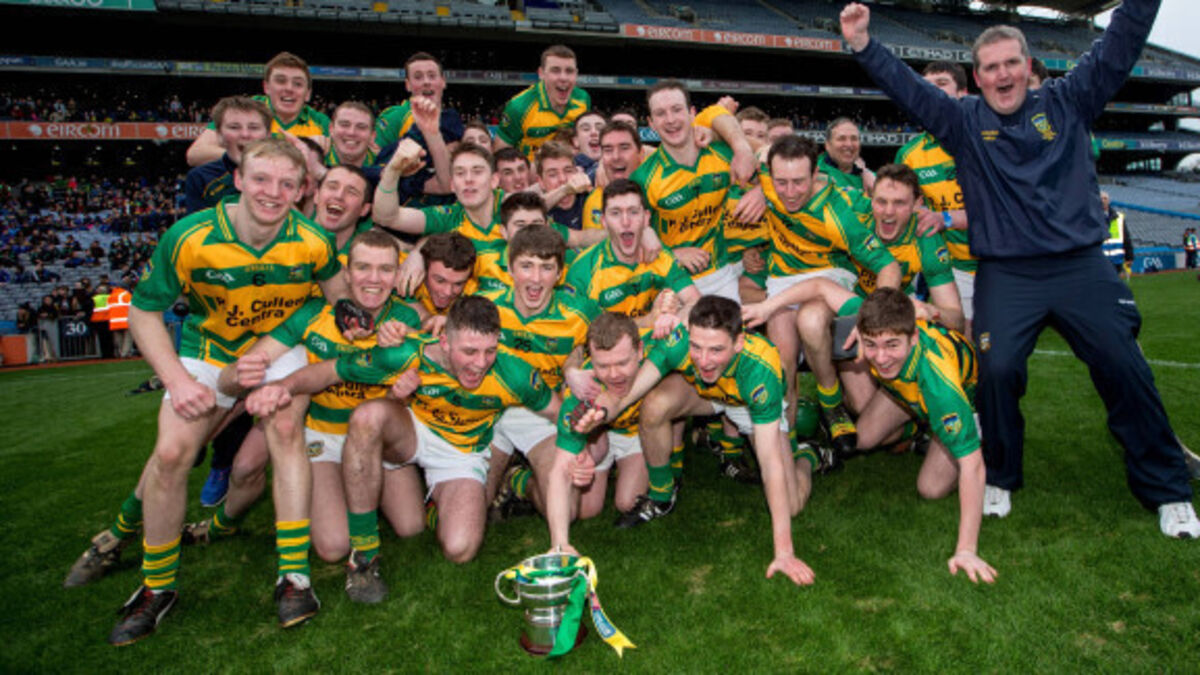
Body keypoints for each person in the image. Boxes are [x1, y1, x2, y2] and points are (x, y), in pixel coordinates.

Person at [841, 0, 1199, 537]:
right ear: (977, 78)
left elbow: (1118, 47)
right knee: (999, 370)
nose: (1002, 74)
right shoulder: (963, 121)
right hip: (1008, 272)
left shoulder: (1069, 100)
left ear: (1028, 67)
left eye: (1011, 63)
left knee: (1124, 364)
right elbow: (910, 90)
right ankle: (1001, 475)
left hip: (1079, 265)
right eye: (990, 67)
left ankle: (1168, 490)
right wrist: (863, 44)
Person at [66, 138, 342, 645]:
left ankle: (294, 577)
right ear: (238, 179)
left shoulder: (314, 241)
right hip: (209, 351)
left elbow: (335, 302)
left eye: (286, 183)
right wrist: (176, 379)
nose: (273, 192)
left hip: (279, 351)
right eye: (261, 179)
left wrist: (282, 347)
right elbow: (143, 311)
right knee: (172, 454)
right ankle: (157, 586)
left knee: (285, 429)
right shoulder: (189, 235)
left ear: (302, 189)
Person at [247, 296, 558, 602]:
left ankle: (437, 503)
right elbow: (330, 371)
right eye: (469, 351)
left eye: (490, 350)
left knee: (460, 548)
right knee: (368, 417)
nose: (480, 363)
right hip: (412, 431)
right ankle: (364, 555)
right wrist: (282, 387)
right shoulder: (408, 354)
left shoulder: (514, 373)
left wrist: (578, 443)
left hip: (461, 452)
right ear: (445, 342)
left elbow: (560, 412)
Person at [205, 230, 422, 565]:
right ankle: (229, 521)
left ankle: (359, 494)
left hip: (373, 440)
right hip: (324, 437)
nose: (374, 279)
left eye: (385, 270)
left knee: (411, 527)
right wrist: (242, 374)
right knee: (333, 547)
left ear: (396, 275)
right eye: (363, 267)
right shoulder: (313, 314)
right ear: (346, 273)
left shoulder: (406, 320)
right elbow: (252, 360)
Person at [574, 296, 815, 586]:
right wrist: (598, 414)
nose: (703, 359)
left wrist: (784, 552)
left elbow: (769, 462)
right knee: (654, 405)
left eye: (716, 350)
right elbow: (627, 395)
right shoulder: (678, 342)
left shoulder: (759, 369)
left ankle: (808, 456)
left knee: (791, 504)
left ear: (738, 343)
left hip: (746, 404)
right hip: (705, 393)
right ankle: (662, 495)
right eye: (696, 347)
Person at [752, 135, 899, 441]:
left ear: (815, 173)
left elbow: (888, 266)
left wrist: (876, 318)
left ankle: (830, 401)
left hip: (829, 276)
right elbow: (734, 133)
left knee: (811, 319)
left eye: (798, 182)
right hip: (782, 279)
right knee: (782, 362)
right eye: (781, 182)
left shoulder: (838, 216)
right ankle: (788, 445)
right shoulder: (766, 176)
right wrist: (749, 157)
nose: (789, 192)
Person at [854, 289, 996, 584]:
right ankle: (920, 428)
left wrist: (966, 550)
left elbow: (972, 466)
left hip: (958, 399)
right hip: (911, 393)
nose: (880, 357)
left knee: (930, 488)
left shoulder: (940, 387)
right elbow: (821, 289)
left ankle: (976, 432)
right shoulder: (877, 329)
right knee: (862, 438)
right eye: (870, 344)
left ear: (914, 337)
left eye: (891, 345)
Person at [545, 312, 681, 549]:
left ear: (640, 351)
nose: (614, 374)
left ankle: (671, 467)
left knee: (627, 501)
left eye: (622, 363)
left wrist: (674, 317)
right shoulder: (579, 394)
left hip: (638, 431)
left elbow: (705, 325)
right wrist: (560, 544)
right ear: (591, 360)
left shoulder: (661, 344)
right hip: (600, 433)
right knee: (586, 509)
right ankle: (519, 479)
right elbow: (560, 470)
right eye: (603, 366)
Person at [631, 81, 759, 304]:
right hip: (671, 282)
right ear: (651, 123)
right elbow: (627, 238)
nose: (670, 119)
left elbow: (778, 166)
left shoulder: (723, 154)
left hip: (721, 276)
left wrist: (762, 192)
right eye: (660, 114)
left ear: (692, 113)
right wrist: (673, 254)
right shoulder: (643, 178)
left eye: (677, 109)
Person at [896, 61, 977, 337]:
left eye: (941, 84)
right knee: (966, 346)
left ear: (963, 94)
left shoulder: (988, 140)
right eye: (926, 87)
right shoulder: (910, 155)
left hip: (1003, 263)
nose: (931, 93)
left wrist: (946, 218)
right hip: (955, 268)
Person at [564, 179, 699, 328]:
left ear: (646, 218)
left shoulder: (660, 254)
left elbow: (695, 301)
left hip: (655, 339)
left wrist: (671, 321)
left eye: (633, 212)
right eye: (615, 213)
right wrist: (647, 321)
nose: (625, 222)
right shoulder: (584, 271)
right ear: (604, 221)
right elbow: (591, 334)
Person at [186, 52, 330, 167]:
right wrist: (254, 156)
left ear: (308, 93)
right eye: (281, 81)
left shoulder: (321, 122)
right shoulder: (244, 110)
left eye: (297, 84)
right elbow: (195, 154)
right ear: (266, 87)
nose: (289, 88)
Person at [495, 44, 591, 159]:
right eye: (555, 71)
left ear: (576, 74)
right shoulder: (518, 107)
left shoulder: (583, 99)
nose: (563, 78)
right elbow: (500, 154)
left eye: (569, 71)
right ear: (541, 73)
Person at [184, 97, 272, 214]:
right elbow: (197, 224)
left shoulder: (286, 174)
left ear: (268, 136)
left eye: (254, 127)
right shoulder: (201, 178)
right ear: (219, 135)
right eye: (234, 127)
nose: (245, 134)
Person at [818, 117, 875, 195]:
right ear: (827, 145)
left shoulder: (873, 180)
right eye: (841, 139)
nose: (849, 144)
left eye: (854, 139)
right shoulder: (813, 173)